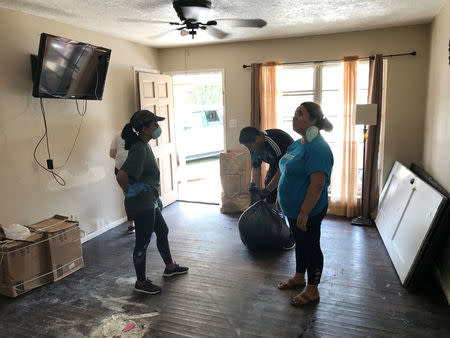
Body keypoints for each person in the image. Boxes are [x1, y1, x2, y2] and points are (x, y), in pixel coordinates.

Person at [116, 110, 188, 295]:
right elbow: (122, 175)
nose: (158, 127)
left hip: (150, 201)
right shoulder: (139, 148)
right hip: (142, 204)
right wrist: (130, 192)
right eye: (154, 124)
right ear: (145, 128)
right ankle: (140, 283)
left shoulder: (144, 145)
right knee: (142, 242)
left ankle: (170, 267)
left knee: (162, 230)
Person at [276, 102, 334, 307]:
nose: (294, 117)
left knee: (310, 246)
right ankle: (299, 277)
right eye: (294, 113)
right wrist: (277, 197)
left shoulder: (318, 148)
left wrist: (304, 212)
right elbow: (283, 169)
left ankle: (312, 290)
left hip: (309, 210)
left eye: (300, 114)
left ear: (313, 121)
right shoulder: (297, 143)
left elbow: (317, 184)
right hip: (293, 209)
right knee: (300, 243)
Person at [239, 127, 295, 250]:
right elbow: (257, 168)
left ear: (258, 139)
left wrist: (267, 189)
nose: (250, 150)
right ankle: (273, 229)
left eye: (250, 146)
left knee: (283, 200)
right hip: (276, 165)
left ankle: (292, 234)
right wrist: (254, 185)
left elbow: (283, 170)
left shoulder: (275, 141)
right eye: (247, 147)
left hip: (292, 166)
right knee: (269, 200)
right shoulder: (253, 146)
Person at [110, 133, 135, 234]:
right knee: (137, 196)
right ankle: (138, 222)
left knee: (129, 196)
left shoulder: (117, 135)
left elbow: (112, 154)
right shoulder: (141, 135)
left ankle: (131, 224)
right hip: (130, 169)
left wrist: (121, 158)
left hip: (120, 169)